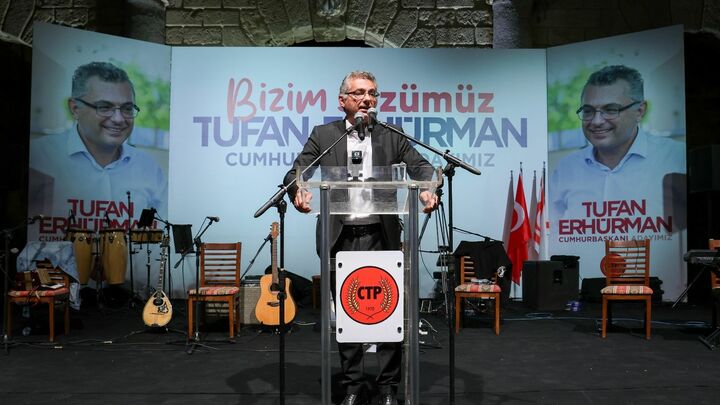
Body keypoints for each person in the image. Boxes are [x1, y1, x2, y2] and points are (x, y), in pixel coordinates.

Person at [283, 71, 437, 405]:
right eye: (359, 93)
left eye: (372, 93)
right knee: (347, 314)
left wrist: (427, 187)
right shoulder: (325, 135)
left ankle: (388, 387)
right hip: (340, 238)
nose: (367, 99)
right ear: (343, 101)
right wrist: (299, 189)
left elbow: (422, 167)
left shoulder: (390, 135)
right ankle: (352, 385)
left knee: (387, 311)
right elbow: (297, 170)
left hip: (381, 236)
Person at [28, 61, 168, 239]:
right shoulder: (38, 158)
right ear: (75, 108)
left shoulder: (149, 170)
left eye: (127, 109)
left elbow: (157, 238)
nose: (118, 119)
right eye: (104, 107)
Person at [550, 65, 685, 221]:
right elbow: (552, 229)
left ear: (640, 111)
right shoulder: (566, 169)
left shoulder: (677, 158)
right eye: (588, 111)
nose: (596, 121)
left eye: (611, 109)